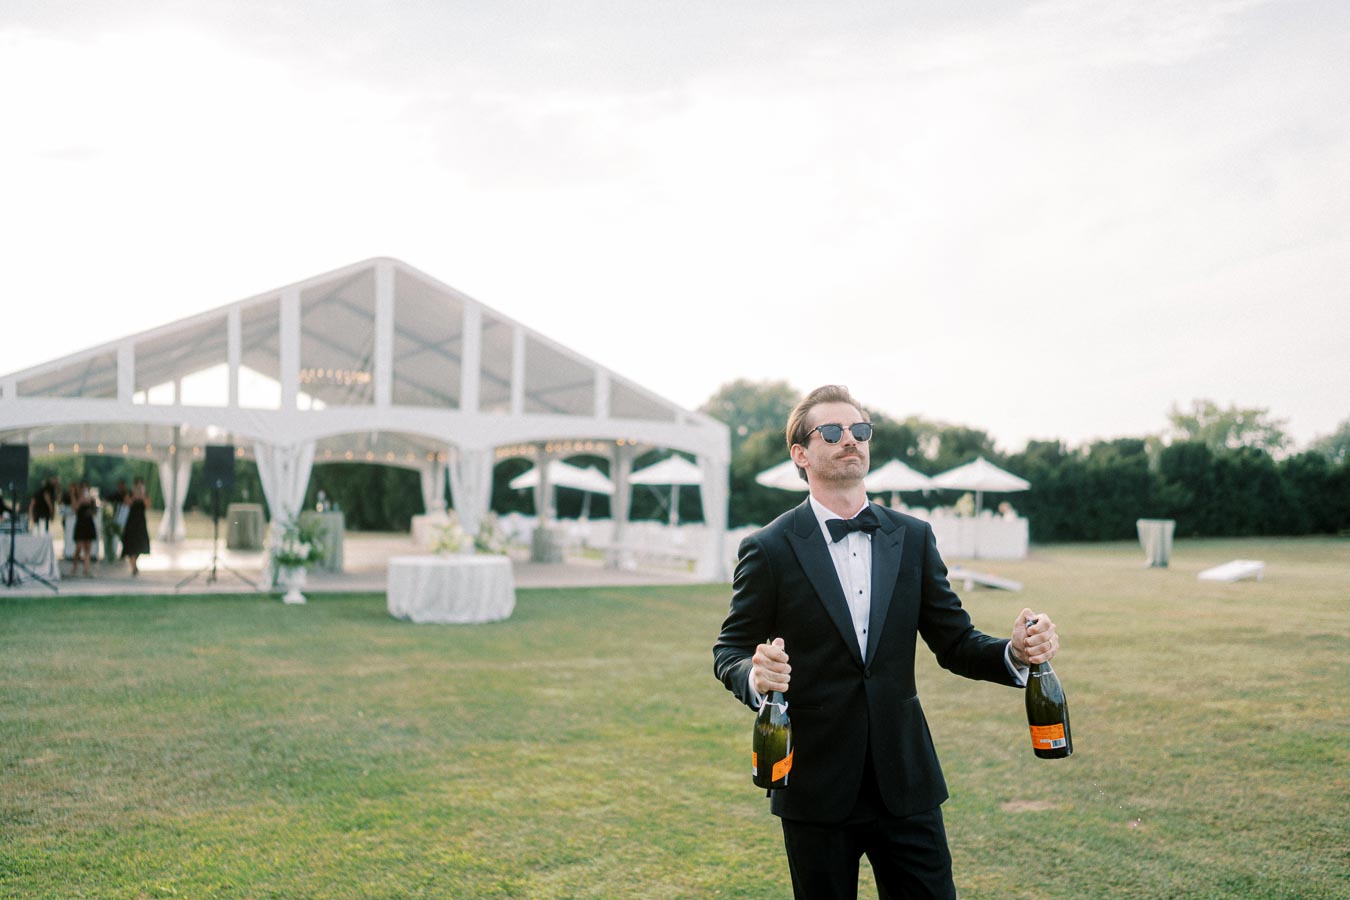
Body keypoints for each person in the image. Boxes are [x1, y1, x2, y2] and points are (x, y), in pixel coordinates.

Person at [713, 385, 1060, 899]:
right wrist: (754, 676)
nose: (850, 439)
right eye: (832, 431)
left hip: (906, 778)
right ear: (801, 454)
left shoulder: (913, 537)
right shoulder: (768, 548)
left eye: (860, 429)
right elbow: (729, 650)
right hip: (815, 783)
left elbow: (955, 642)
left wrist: (1014, 652)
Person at [120, 477, 151, 576]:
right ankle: (134, 567)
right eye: (137, 485)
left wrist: (142, 495)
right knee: (130, 544)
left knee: (140, 544)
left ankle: (134, 563)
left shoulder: (144, 494)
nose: (139, 487)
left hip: (140, 523)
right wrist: (134, 495)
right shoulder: (130, 493)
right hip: (131, 522)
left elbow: (148, 505)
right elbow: (127, 503)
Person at [71, 481, 98, 576]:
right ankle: (74, 568)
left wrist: (91, 504)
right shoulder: (77, 497)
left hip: (89, 524)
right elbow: (74, 509)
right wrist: (81, 500)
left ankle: (86, 569)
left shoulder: (91, 498)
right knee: (78, 547)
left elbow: (95, 512)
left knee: (87, 548)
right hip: (80, 524)